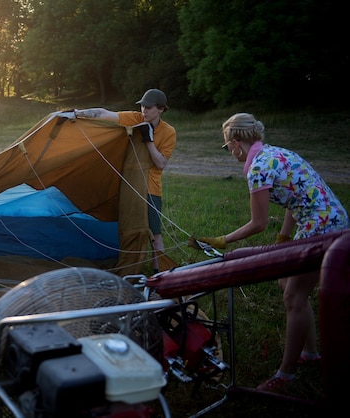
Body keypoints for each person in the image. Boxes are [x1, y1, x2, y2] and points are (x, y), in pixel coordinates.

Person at [191, 112, 349, 393]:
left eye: (228, 147)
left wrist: (222, 240)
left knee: (293, 295)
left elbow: (258, 223)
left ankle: (285, 375)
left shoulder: (259, 168)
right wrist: (284, 239)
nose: (230, 153)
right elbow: (294, 196)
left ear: (237, 142)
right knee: (286, 283)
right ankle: (310, 354)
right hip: (326, 219)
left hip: (323, 226)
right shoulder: (276, 153)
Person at [75, 89, 177, 276]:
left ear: (161, 109)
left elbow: (161, 163)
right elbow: (106, 114)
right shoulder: (135, 118)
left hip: (151, 189)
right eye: (142, 106)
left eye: (149, 107)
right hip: (130, 187)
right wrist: (76, 113)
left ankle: (160, 275)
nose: (144, 110)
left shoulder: (169, 132)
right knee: (128, 228)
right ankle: (131, 262)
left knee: (155, 235)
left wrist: (148, 140)